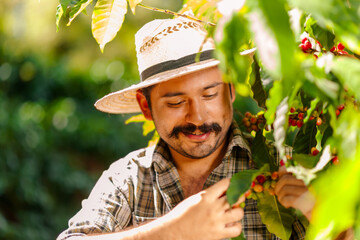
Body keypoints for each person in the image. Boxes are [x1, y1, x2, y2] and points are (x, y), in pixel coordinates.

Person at [57, 17, 312, 240]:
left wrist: (328, 217)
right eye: (176, 102)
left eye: (210, 95)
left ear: (231, 89)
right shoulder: (127, 180)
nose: (197, 117)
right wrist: (170, 232)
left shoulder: (286, 168)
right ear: (146, 106)